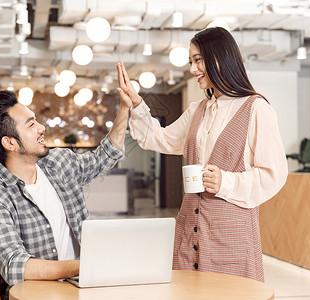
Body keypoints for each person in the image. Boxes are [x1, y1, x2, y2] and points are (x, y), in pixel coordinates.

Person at [116, 27, 288, 282]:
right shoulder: (198, 109)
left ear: (221, 58)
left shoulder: (256, 109)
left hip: (231, 239)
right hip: (189, 232)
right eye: (191, 62)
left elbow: (274, 175)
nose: (192, 69)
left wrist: (225, 182)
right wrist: (137, 104)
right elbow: (158, 138)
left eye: (198, 60)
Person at [0, 84, 130, 299]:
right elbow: (15, 266)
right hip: (38, 294)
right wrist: (81, 266)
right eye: (31, 125)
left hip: (83, 286)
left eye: (36, 120)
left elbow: (103, 158)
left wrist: (124, 109)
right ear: (9, 143)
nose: (41, 127)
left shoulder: (57, 162)